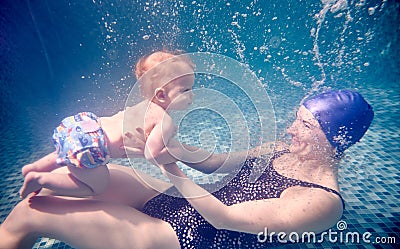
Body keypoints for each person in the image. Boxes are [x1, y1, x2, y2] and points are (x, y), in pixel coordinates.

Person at [0, 89, 374, 249]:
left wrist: (169, 166)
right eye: (297, 118)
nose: (291, 129)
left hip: (185, 240)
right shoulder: (282, 149)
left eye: (306, 126)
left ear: (335, 138)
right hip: (180, 205)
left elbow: (228, 220)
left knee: (26, 213)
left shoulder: (322, 201)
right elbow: (217, 164)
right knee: (49, 190)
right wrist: (170, 147)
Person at [19, 50, 198, 199]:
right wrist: (177, 152)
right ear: (160, 95)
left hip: (84, 126)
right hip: (93, 147)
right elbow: (152, 154)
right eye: (186, 90)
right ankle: (40, 179)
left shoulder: (144, 105)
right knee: (96, 188)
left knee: (66, 151)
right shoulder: (164, 119)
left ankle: (34, 167)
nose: (192, 95)